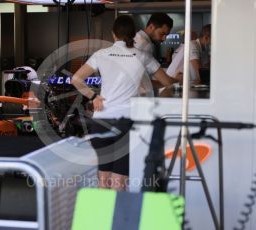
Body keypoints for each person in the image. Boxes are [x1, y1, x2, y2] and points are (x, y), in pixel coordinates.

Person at [72, 15, 178, 191]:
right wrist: (182, 82)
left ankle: (102, 218)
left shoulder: (101, 54)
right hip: (126, 123)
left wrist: (93, 97)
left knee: (103, 178)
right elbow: (167, 82)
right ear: (133, 34)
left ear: (113, 34)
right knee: (119, 181)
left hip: (101, 121)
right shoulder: (143, 56)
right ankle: (118, 218)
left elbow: (76, 79)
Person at [134, 12, 182, 88]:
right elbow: (141, 84)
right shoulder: (145, 45)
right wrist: (176, 80)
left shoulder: (136, 37)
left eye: (166, 35)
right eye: (162, 33)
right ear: (151, 27)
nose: (164, 38)